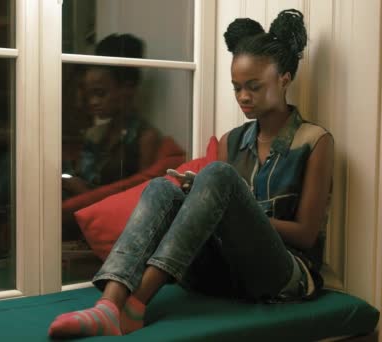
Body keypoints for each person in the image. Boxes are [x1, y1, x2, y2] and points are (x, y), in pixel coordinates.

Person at [48, 9, 334, 338]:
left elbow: (306, 235)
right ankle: (109, 306)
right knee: (161, 189)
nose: (243, 97)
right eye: (236, 87)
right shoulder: (233, 141)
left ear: (284, 78)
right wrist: (198, 200)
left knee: (216, 177)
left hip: (282, 276)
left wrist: (231, 207)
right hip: (225, 274)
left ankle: (136, 305)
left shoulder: (314, 141)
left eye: (254, 86)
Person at [62, 34, 161, 197]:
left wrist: (82, 190)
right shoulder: (99, 132)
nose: (93, 102)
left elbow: (143, 198)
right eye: (89, 95)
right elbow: (84, 173)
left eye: (100, 94)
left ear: (127, 89)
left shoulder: (145, 138)